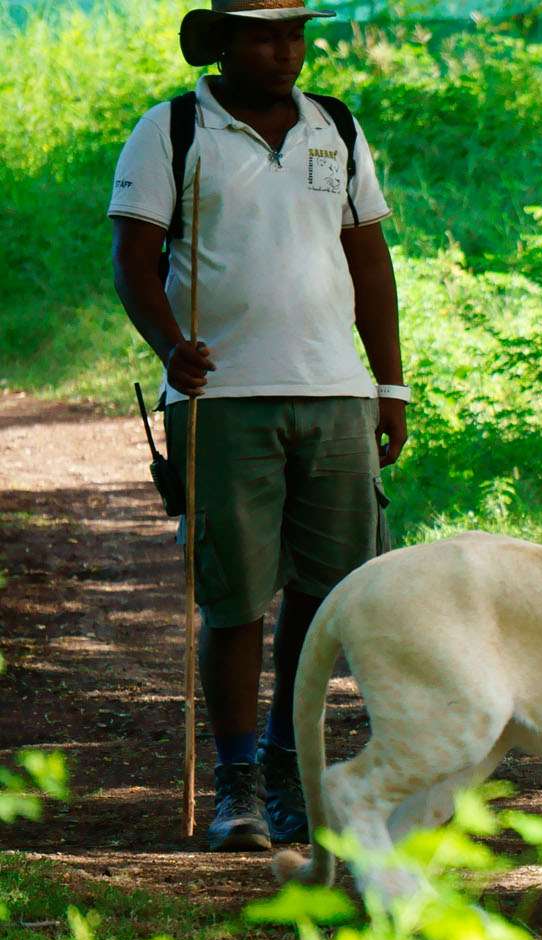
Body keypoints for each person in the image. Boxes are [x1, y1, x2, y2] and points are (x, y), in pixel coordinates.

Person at [109, 0, 407, 851]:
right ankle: (235, 781)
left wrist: (390, 384)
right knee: (235, 598)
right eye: (266, 36)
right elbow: (133, 259)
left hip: (336, 393)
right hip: (222, 398)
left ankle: (290, 768)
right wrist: (170, 349)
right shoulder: (171, 130)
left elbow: (369, 257)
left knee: (331, 595)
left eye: (296, 35)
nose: (287, 52)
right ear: (223, 43)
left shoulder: (335, 127)